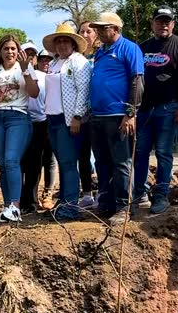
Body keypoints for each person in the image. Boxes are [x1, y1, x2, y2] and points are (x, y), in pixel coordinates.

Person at [133, 6, 178, 215]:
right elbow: (134, 79)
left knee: (163, 152)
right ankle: (138, 194)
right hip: (144, 110)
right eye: (159, 21)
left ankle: (160, 196)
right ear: (152, 24)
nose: (163, 25)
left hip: (169, 107)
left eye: (167, 21)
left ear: (173, 24)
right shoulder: (142, 47)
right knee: (140, 152)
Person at [88, 12, 144, 223]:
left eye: (104, 28)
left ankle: (124, 206)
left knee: (121, 161)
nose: (100, 31)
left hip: (118, 115)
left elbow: (137, 81)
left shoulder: (129, 48)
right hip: (98, 115)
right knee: (102, 161)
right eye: (99, 28)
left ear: (116, 29)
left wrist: (130, 113)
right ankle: (106, 201)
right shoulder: (101, 52)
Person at [0, 35, 39, 223]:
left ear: (18, 51)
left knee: (12, 160)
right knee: (3, 164)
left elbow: (34, 93)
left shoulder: (25, 68)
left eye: (13, 48)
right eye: (6, 49)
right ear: (0, 51)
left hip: (18, 116)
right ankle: (7, 207)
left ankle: (15, 206)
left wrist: (25, 71)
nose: (10, 52)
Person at [41, 21, 91, 221]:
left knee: (69, 163)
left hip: (68, 119)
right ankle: (63, 202)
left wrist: (77, 116)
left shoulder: (79, 62)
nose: (62, 45)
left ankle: (70, 207)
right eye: (59, 41)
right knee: (62, 162)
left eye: (66, 41)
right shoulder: (53, 64)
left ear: (73, 43)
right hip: (52, 118)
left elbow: (83, 90)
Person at [19, 43, 50, 213]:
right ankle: (17, 200)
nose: (29, 56)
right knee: (19, 163)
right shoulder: (14, 73)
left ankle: (30, 201)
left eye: (32, 54)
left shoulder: (43, 76)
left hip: (39, 123)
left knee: (35, 164)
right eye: (26, 53)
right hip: (18, 122)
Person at [77, 20, 99, 208]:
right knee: (82, 155)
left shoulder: (101, 56)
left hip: (99, 112)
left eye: (89, 31)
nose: (85, 35)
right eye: (81, 32)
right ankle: (86, 193)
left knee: (100, 154)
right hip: (80, 113)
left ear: (96, 34)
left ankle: (102, 192)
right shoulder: (75, 59)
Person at [36, 48, 57, 205]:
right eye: (42, 59)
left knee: (50, 158)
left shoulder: (56, 75)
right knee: (35, 159)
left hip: (51, 120)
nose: (45, 62)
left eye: (49, 59)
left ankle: (48, 191)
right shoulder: (34, 75)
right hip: (35, 121)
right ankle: (33, 194)